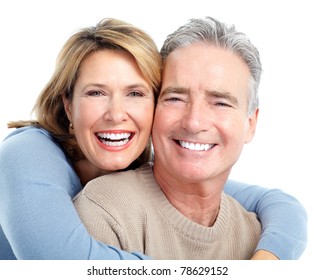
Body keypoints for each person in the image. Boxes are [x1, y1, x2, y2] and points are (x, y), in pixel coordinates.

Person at [0, 18, 307, 260]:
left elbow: (277, 203)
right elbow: (60, 260)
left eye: (135, 94)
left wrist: (270, 258)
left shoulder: (140, 160)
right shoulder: (27, 152)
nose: (116, 114)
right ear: (68, 104)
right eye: (96, 92)